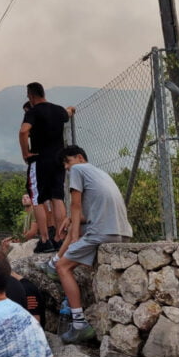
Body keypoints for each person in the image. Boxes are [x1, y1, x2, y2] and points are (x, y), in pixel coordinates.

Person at [43, 145, 133, 344]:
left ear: (79, 157)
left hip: (101, 233)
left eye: (67, 161)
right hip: (121, 232)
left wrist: (74, 235)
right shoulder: (100, 173)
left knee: (63, 268)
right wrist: (72, 222)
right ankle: (54, 260)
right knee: (72, 222)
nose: (66, 168)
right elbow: (86, 214)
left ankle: (79, 324)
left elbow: (75, 204)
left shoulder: (78, 169)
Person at [19, 81, 70, 253]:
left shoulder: (33, 112)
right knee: (57, 197)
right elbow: (68, 113)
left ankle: (45, 239)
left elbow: (23, 131)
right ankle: (60, 238)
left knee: (37, 199)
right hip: (59, 160)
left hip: (40, 159)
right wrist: (72, 109)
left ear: (31, 95)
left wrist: (26, 153)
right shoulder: (58, 110)